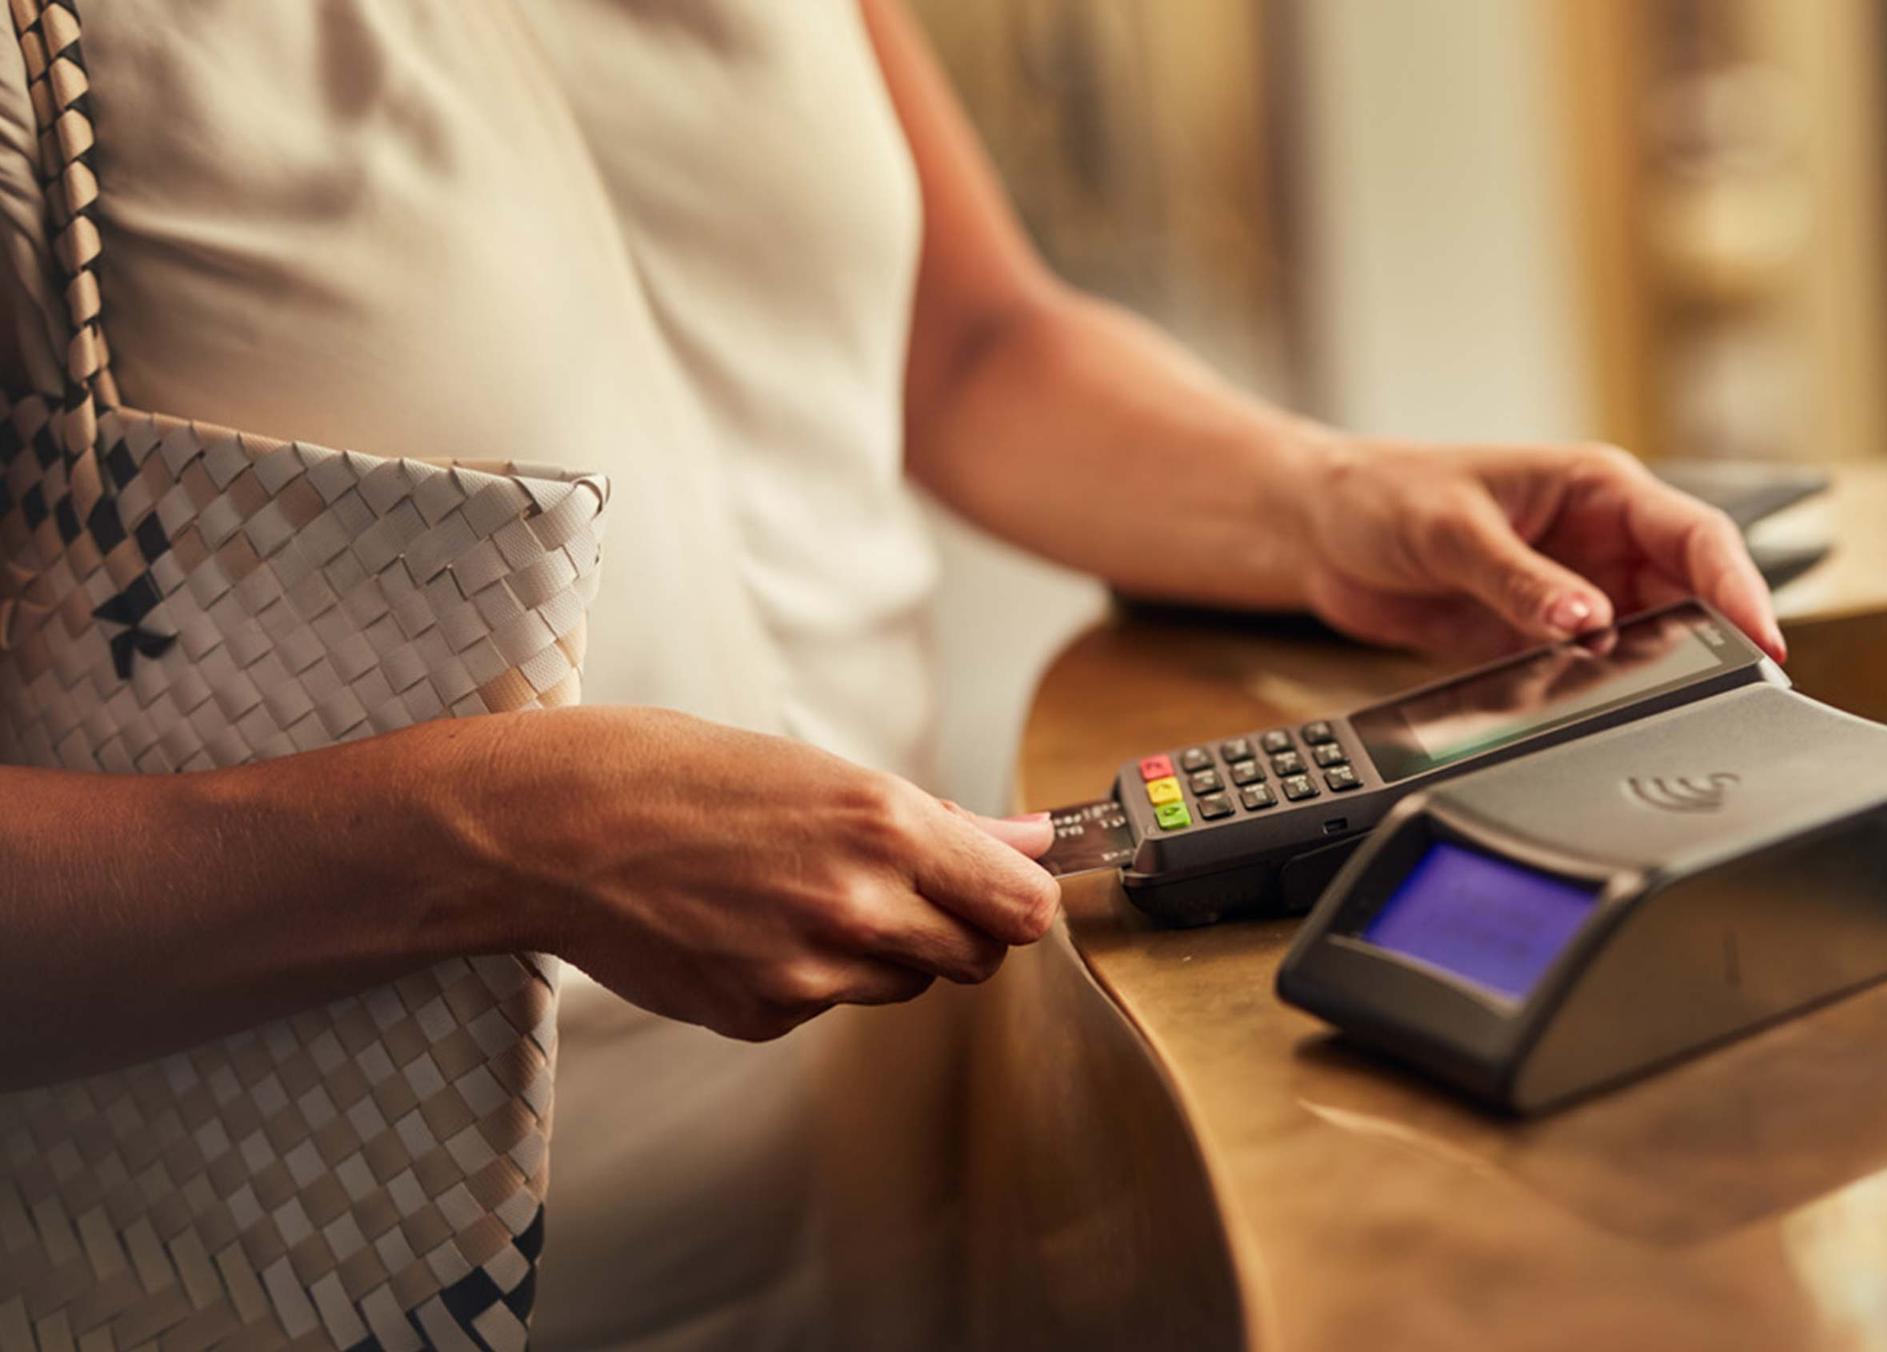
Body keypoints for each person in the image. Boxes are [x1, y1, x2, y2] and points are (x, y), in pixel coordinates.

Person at [0, 0, 1784, 1343]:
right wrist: (486, 838)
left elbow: (964, 339)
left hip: (946, 1181)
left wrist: (1337, 497)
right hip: (387, 1295)